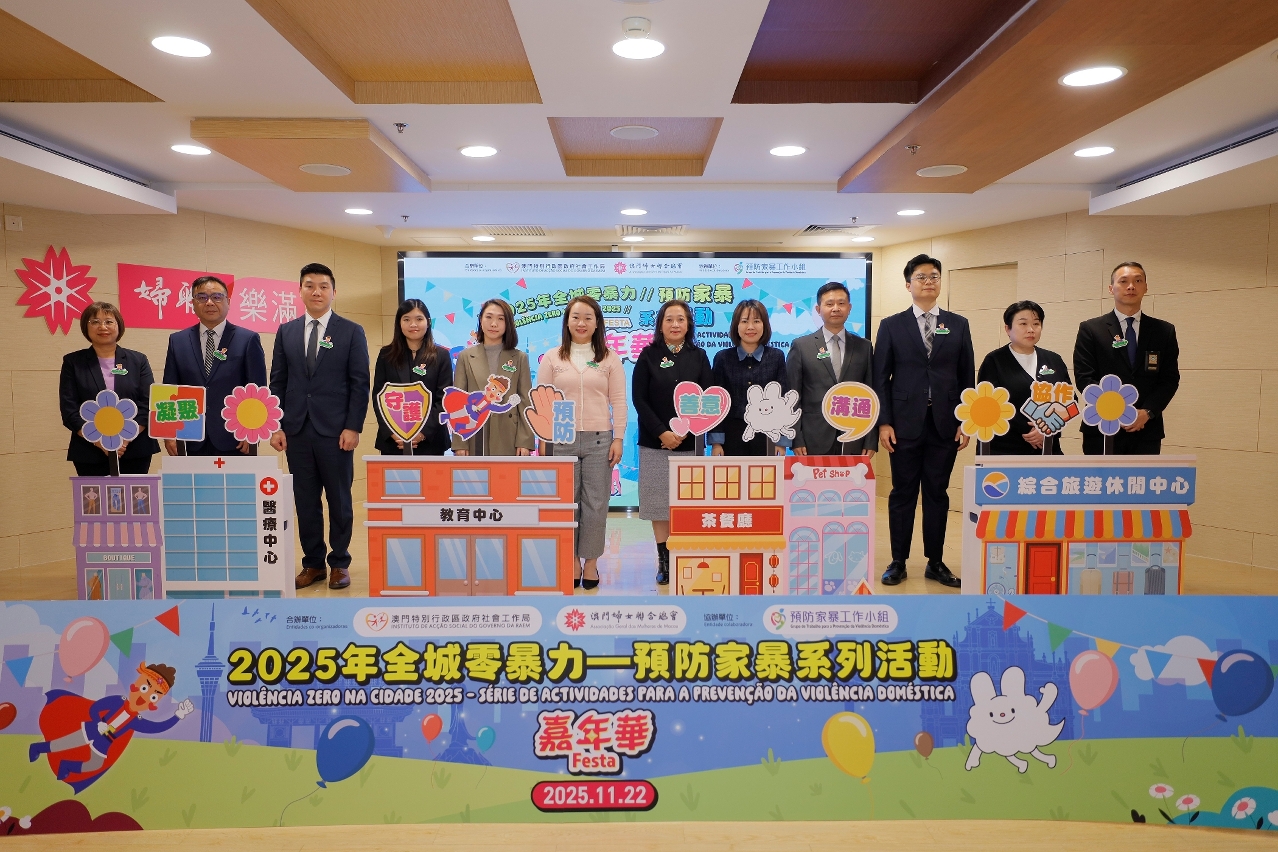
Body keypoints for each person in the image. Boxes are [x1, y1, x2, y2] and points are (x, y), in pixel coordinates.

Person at [874, 254, 973, 589]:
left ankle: (936, 561)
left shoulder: (958, 324)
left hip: (945, 423)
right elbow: (880, 377)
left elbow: (966, 376)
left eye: (934, 276)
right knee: (902, 493)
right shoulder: (891, 325)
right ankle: (898, 561)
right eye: (921, 276)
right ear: (908, 284)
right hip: (903, 425)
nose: (928, 281)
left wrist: (965, 420)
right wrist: (884, 422)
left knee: (937, 493)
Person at [269, 263, 370, 591]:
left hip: (337, 432)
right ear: (300, 291)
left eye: (323, 286)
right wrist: (276, 425)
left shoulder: (351, 331)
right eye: (310, 285)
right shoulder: (286, 331)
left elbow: (359, 383)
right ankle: (313, 564)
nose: (316, 291)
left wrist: (353, 426)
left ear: (333, 292)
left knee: (339, 499)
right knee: (305, 500)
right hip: (296, 430)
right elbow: (278, 382)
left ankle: (339, 562)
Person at [536, 296, 626, 590]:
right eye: (575, 317)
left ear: (597, 323)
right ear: (567, 322)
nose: (581, 323)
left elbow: (619, 401)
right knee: (567, 504)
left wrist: (618, 437)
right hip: (561, 436)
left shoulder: (609, 358)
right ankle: (572, 560)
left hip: (600, 438)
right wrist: (544, 440)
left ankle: (591, 562)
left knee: (596, 504)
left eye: (588, 317)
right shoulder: (553, 357)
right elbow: (542, 401)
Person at [632, 300, 712, 586]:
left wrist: (686, 431)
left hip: (690, 444)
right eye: (669, 319)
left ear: (688, 324)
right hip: (655, 444)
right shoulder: (648, 355)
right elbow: (639, 399)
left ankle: (685, 557)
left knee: (687, 504)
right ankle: (664, 561)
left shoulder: (699, 356)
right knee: (658, 504)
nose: (675, 324)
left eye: (680, 319)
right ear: (660, 325)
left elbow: (708, 398)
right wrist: (662, 432)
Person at [1073, 261, 1180, 455]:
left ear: (1146, 287)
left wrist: (1147, 412)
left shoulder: (1164, 331)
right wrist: (1117, 411)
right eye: (1123, 281)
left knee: (1143, 477)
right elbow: (1084, 377)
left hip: (1146, 429)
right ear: (1111, 288)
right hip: (1101, 428)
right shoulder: (1091, 329)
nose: (1131, 286)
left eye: (1138, 281)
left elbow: (1169, 379)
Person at [161, 275, 268, 456]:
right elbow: (170, 388)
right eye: (201, 297)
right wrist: (168, 433)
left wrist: (252, 429)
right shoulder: (178, 341)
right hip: (189, 436)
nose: (209, 302)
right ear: (193, 303)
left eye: (217, 297)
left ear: (228, 301)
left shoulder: (248, 339)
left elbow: (257, 388)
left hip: (235, 437)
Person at [59, 302, 159, 476]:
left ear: (118, 325)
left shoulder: (138, 360)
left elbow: (148, 402)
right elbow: (69, 409)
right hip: (90, 450)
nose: (103, 327)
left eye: (109, 321)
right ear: (85, 327)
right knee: (95, 495)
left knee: (133, 495)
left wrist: (124, 439)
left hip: (134, 448)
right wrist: (100, 441)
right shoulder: (73, 362)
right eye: (95, 322)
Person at [786, 282, 878, 455]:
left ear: (849, 308)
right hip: (812, 438)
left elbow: (871, 394)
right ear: (818, 309)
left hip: (854, 436)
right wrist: (795, 437)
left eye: (841, 303)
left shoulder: (864, 347)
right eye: (829, 304)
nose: (836, 308)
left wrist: (871, 440)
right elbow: (793, 396)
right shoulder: (801, 346)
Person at [977, 301, 1072, 455]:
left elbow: (1070, 400)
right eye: (1023, 324)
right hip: (1006, 448)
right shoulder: (994, 361)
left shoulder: (1054, 359)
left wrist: (1047, 428)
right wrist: (1031, 430)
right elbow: (987, 405)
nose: (1030, 329)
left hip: (1048, 446)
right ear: (1008, 329)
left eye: (1036, 324)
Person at [451, 298, 533, 456]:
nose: (494, 324)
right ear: (480, 320)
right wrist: (460, 442)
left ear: (508, 324)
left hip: (509, 435)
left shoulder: (519, 357)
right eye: (488, 317)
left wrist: (524, 441)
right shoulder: (465, 356)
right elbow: (458, 401)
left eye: (501, 319)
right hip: (474, 432)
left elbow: (525, 401)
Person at [710, 299, 791, 456]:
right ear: (736, 325)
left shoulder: (776, 357)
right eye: (744, 321)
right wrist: (716, 442)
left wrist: (781, 441)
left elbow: (783, 399)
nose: (750, 327)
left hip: (767, 435)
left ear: (764, 325)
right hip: (731, 435)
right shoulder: (723, 358)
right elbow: (716, 404)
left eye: (756, 321)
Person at [372, 299, 452, 456]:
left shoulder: (441, 356)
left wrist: (422, 433)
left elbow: (443, 399)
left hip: (431, 441)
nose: (413, 324)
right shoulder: (386, 355)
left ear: (428, 322)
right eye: (407, 319)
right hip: (394, 442)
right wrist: (393, 432)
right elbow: (378, 396)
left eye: (419, 319)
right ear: (399, 323)